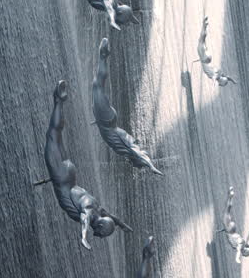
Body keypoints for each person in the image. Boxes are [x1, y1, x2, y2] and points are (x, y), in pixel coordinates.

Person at [39, 81, 132, 249]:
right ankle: (58, 100)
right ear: (101, 226)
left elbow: (110, 216)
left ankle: (60, 102)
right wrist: (83, 237)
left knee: (57, 134)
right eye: (102, 234)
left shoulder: (99, 210)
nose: (100, 237)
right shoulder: (90, 209)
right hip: (61, 176)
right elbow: (84, 219)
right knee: (52, 133)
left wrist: (122, 225)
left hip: (69, 173)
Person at [93, 38, 161, 173]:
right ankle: (103, 56)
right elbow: (139, 155)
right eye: (136, 165)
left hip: (104, 120)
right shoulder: (129, 150)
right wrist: (150, 166)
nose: (134, 166)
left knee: (97, 86)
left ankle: (103, 57)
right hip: (106, 121)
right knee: (97, 86)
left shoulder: (125, 152)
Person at [219, 186, 249, 263]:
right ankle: (231, 195)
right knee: (227, 210)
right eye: (244, 254)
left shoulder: (244, 244)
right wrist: (237, 259)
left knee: (228, 210)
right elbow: (238, 251)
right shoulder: (240, 246)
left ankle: (231, 195)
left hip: (231, 229)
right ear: (244, 252)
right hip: (230, 229)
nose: (242, 254)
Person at [195, 17, 236, 87]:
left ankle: (204, 25)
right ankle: (204, 25)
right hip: (204, 59)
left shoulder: (220, 73)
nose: (220, 84)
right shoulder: (215, 76)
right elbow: (215, 78)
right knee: (201, 40)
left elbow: (227, 78)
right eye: (221, 84)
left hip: (208, 58)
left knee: (202, 39)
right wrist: (214, 83)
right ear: (220, 82)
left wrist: (233, 81)